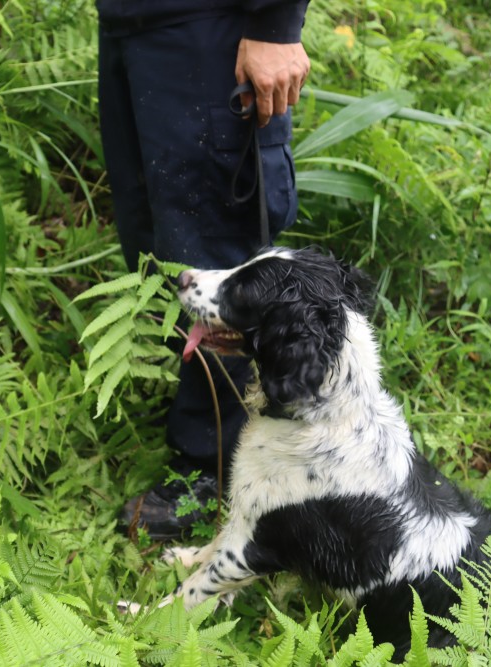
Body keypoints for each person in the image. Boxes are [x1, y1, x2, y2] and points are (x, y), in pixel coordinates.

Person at [96, 0, 312, 539]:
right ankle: (203, 409)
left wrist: (275, 25)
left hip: (213, 28)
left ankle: (211, 467)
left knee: (211, 249)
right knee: (155, 241)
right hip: (133, 26)